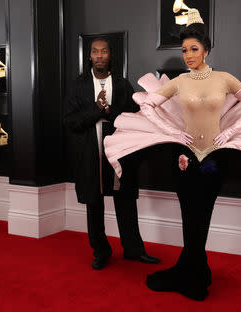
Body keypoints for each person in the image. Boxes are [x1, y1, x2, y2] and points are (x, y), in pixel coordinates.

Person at [104, 9, 241, 300]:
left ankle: (196, 272)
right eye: (184, 50)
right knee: (189, 217)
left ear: (206, 50)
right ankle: (194, 272)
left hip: (214, 158)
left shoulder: (223, 79)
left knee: (203, 216)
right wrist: (171, 134)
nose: (188, 55)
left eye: (194, 49)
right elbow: (148, 106)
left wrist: (232, 132)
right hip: (184, 158)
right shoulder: (180, 82)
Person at [64, 37, 160, 270]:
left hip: (120, 151)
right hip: (90, 153)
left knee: (125, 199)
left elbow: (134, 118)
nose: (99, 55)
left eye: (103, 51)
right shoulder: (79, 85)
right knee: (94, 203)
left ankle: (134, 250)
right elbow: (70, 121)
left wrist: (109, 111)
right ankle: (101, 251)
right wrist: (95, 111)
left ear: (110, 56)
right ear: (90, 56)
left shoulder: (123, 84)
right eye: (95, 52)